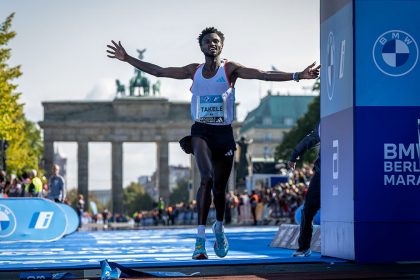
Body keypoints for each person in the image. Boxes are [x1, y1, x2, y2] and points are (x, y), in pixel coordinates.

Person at [106, 27, 320, 260]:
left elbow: (263, 74)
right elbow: (158, 72)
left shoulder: (230, 69)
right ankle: (200, 240)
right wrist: (127, 59)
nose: (212, 44)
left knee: (220, 189)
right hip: (201, 131)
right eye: (207, 41)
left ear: (221, 46)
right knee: (205, 178)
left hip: (224, 133)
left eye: (216, 41)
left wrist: (298, 75)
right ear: (201, 47)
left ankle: (218, 226)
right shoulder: (193, 71)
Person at [288, 123, 320, 257]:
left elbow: (309, 140)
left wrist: (294, 155)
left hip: (336, 172)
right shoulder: (324, 123)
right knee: (307, 210)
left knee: (308, 210)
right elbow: (309, 139)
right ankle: (304, 247)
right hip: (323, 173)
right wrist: (294, 155)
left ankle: (303, 247)